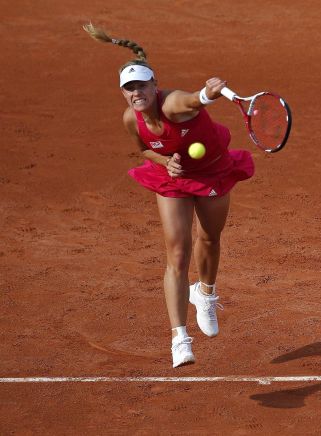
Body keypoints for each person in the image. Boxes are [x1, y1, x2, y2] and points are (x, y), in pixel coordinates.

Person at [83, 24, 254, 368]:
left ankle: (204, 293)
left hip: (213, 171)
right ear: (123, 93)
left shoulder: (172, 105)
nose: (136, 93)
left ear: (154, 86)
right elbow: (145, 150)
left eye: (141, 86)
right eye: (129, 89)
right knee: (177, 252)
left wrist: (206, 94)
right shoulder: (131, 119)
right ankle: (180, 338)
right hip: (173, 179)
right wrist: (165, 161)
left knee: (210, 238)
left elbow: (193, 100)